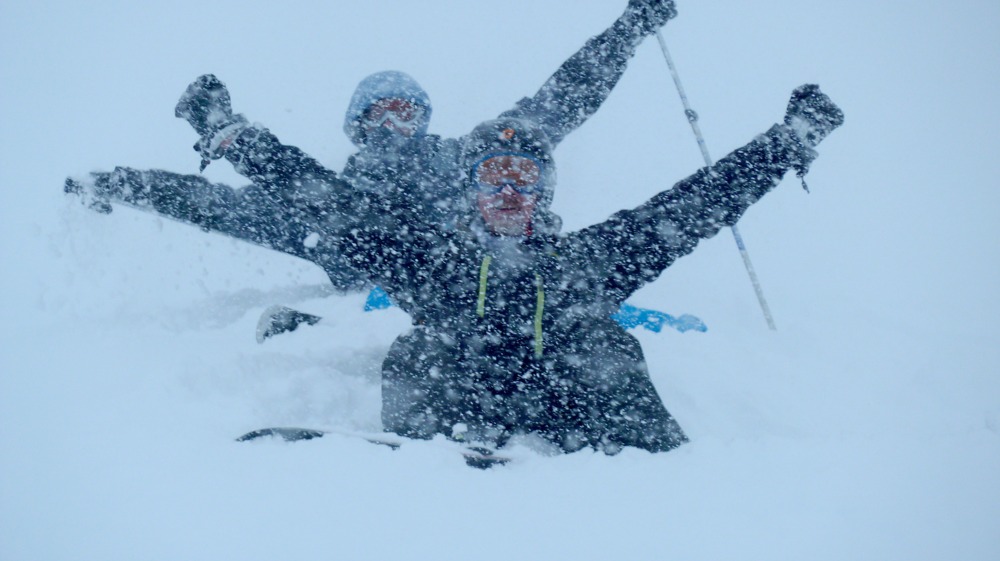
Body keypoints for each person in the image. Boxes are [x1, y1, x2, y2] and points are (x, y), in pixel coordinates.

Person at [173, 71, 844, 453]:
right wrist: (235, 136)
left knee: (605, 338)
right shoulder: (435, 260)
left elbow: (696, 204)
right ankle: (425, 460)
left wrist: (787, 143)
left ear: (542, 194)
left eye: (524, 179)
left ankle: (650, 456)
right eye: (494, 178)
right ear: (474, 193)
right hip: (459, 395)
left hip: (566, 400)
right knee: (419, 344)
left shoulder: (586, 260)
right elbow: (331, 202)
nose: (509, 191)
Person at [67, 0, 679, 295]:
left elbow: (558, 101)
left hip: (452, 267)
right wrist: (120, 184)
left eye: (406, 111)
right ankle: (213, 133)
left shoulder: (461, 155)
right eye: (380, 112)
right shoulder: (338, 193)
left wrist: (628, 30)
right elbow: (222, 205)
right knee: (276, 208)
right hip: (365, 254)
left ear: (424, 120)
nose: (394, 122)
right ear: (357, 127)